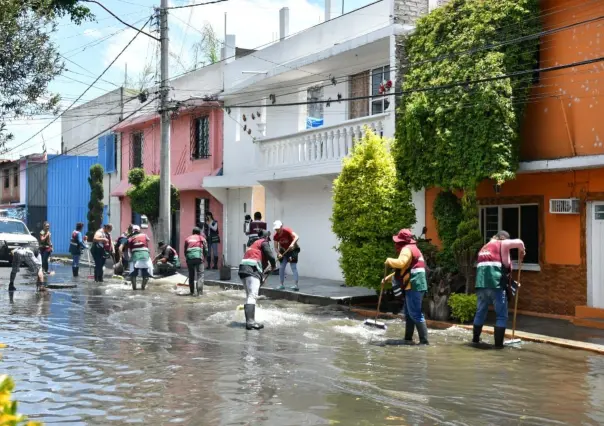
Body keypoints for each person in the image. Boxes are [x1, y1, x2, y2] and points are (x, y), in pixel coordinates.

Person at [473, 230, 525, 348]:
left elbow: (495, 267)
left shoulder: (484, 248)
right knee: (501, 315)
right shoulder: (501, 243)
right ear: (502, 238)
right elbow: (520, 243)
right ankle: (498, 346)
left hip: (481, 286)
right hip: (496, 286)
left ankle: (475, 340)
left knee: (480, 312)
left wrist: (512, 283)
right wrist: (522, 251)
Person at [382, 229, 429, 345]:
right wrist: (388, 277)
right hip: (416, 285)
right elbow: (406, 268)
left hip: (414, 285)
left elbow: (401, 263)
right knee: (409, 314)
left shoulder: (406, 249)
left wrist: (389, 260)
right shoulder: (414, 249)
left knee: (415, 314)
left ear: (401, 241)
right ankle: (408, 339)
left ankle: (424, 342)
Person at [238, 229, 276, 330]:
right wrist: (274, 265)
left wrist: (261, 277)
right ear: (267, 237)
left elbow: (261, 265)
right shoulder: (263, 242)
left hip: (243, 269)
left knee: (249, 295)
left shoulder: (254, 244)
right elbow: (271, 256)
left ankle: (249, 319)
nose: (269, 242)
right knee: (252, 295)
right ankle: (250, 322)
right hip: (252, 269)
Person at [273, 220, 300, 291]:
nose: (277, 230)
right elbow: (275, 247)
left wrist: (292, 243)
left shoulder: (287, 230)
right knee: (281, 268)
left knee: (293, 267)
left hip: (293, 250)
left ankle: (296, 285)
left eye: (278, 228)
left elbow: (297, 237)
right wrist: (278, 253)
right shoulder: (276, 236)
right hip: (283, 251)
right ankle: (281, 284)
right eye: (276, 229)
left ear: (281, 227)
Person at [184, 227, 208, 296]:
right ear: (199, 233)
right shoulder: (202, 238)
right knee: (200, 275)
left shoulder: (187, 239)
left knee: (191, 276)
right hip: (198, 258)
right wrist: (204, 258)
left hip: (189, 258)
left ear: (192, 233)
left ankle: (191, 292)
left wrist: (188, 259)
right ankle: (199, 293)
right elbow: (206, 250)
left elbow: (185, 251)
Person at [127, 225, 152, 290]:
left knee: (133, 273)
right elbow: (148, 240)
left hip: (135, 254)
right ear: (139, 230)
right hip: (145, 254)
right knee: (145, 271)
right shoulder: (144, 235)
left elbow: (129, 249)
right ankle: (143, 288)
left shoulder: (130, 237)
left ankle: (134, 289)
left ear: (133, 231)